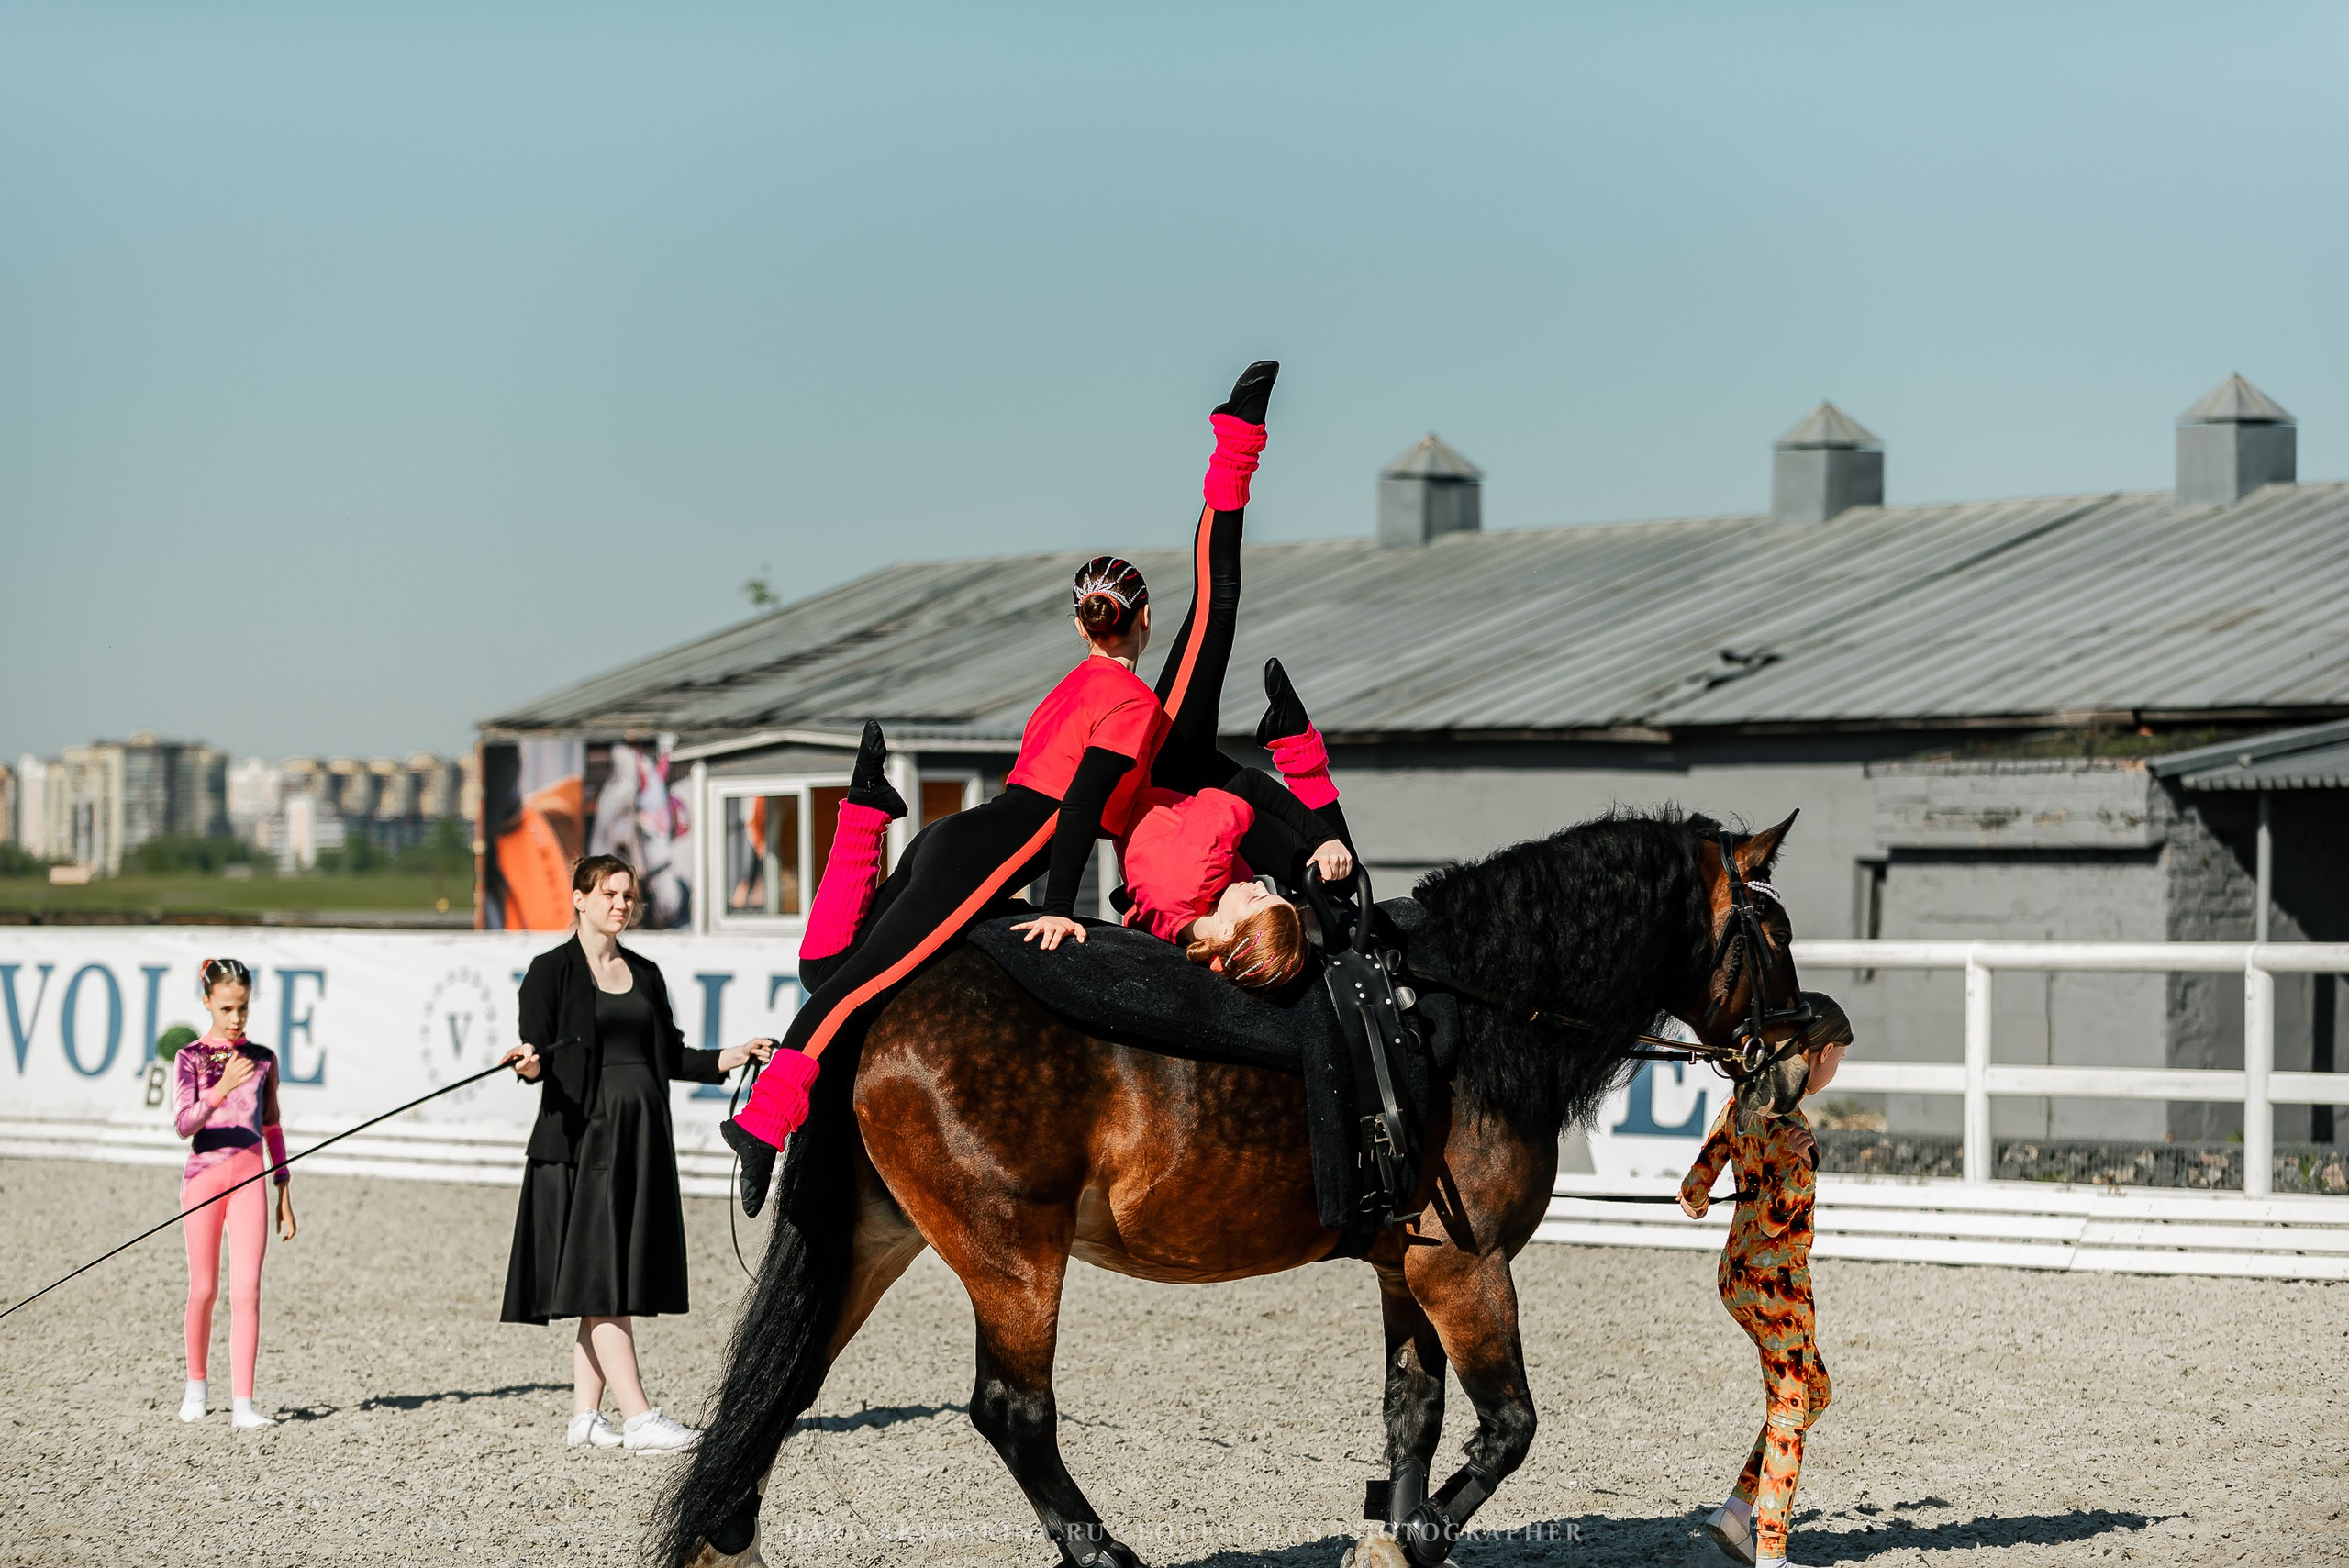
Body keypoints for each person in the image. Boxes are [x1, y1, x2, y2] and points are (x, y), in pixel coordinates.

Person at [719, 360, 1284, 1217]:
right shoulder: (1133, 706)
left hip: (961, 833)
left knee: (823, 963)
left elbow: (1083, 776)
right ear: (1140, 623)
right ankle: (766, 1127)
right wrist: (1059, 900)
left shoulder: (1074, 686)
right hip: (990, 850)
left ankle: (867, 814)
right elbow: (1083, 802)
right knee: (856, 988)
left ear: (1080, 623)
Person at [498, 854, 775, 1453]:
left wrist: (733, 1053)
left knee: (601, 1277)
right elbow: (537, 1051)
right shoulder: (550, 972)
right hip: (582, 1143)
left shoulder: (646, 972)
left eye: (628, 895)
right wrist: (528, 1062)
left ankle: (585, 1418)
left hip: (638, 1141)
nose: (621, 903)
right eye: (608, 893)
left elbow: (670, 1056)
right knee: (602, 1282)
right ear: (579, 898)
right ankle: (640, 1416)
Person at [1678, 1029, 1851, 1568]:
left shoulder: (1740, 1106)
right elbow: (1777, 1220)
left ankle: (1736, 1510)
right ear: (1817, 1055)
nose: (1835, 1071)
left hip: (1735, 1277)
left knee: (1812, 1394)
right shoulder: (1793, 1127)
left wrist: (1704, 1197)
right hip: (1779, 1291)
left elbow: (1693, 1188)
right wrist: (1799, 1169)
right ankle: (1772, 1554)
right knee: (1791, 1410)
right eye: (1837, 1060)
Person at [172, 957, 296, 1429]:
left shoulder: (263, 1058)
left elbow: (272, 1124)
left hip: (250, 1180)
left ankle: (243, 1402)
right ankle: (196, 1388)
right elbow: (184, 1124)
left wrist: (283, 1186)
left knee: (247, 1291)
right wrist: (221, 1088)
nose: (236, 1018)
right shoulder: (192, 1058)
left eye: (242, 1008)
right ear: (207, 1002)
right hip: (204, 1179)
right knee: (203, 1288)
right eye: (226, 1008)